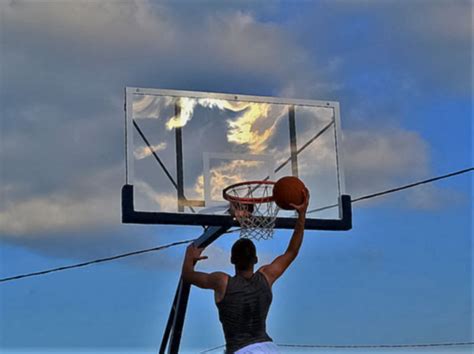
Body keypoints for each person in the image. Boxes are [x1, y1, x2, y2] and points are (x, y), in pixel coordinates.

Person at [182, 189, 309, 354]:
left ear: (232, 260)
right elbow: (292, 252)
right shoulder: (267, 276)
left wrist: (189, 254)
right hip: (268, 349)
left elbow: (187, 275)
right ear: (255, 260)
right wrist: (301, 216)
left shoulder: (222, 282)